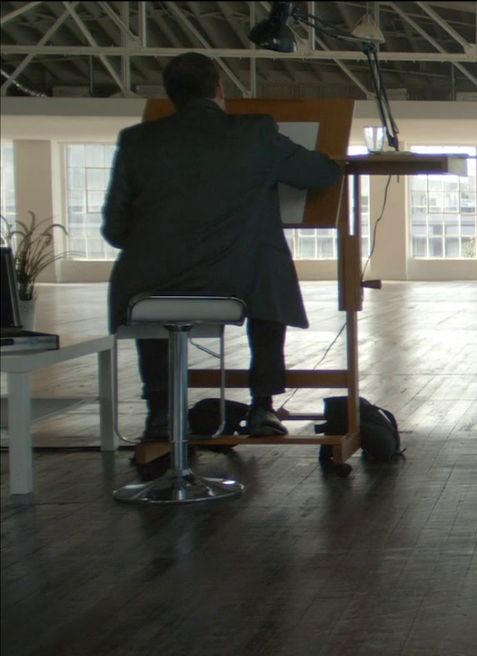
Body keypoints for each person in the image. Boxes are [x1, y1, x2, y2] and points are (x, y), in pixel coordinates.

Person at [103, 52, 343, 444]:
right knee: (267, 270)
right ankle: (263, 404)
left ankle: (161, 414)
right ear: (219, 88)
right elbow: (321, 174)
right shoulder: (255, 133)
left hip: (147, 294)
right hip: (239, 287)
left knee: (149, 284)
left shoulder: (136, 141)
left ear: (171, 95)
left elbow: (115, 230)